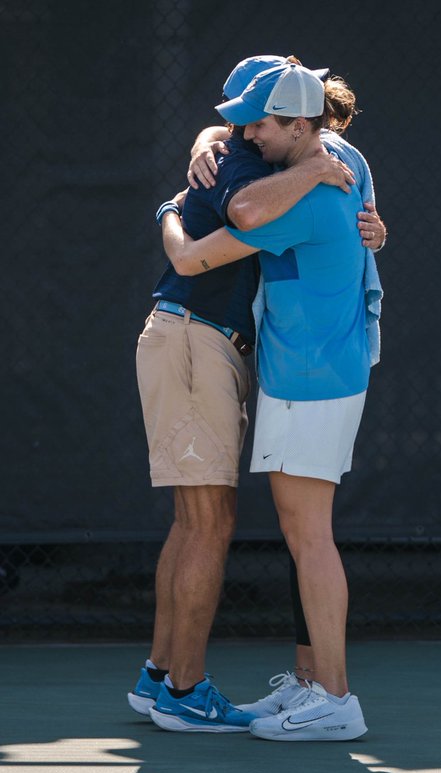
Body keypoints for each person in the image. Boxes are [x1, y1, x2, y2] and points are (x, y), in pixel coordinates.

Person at [130, 55, 386, 734]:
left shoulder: (303, 195)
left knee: (303, 538)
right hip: (291, 372)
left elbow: (194, 253)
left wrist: (170, 210)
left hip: (310, 379)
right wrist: (201, 155)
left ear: (299, 124)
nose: (245, 134)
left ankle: (331, 699)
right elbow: (232, 152)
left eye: (258, 123)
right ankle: (302, 684)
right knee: (240, 529)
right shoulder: (336, 163)